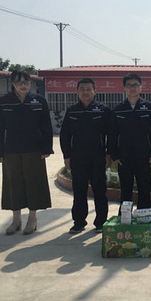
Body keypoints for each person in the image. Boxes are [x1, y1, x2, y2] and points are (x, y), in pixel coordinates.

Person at [0, 70, 53, 235]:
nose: (23, 85)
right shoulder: (4, 102)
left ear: (30, 84)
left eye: (26, 82)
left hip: (34, 149)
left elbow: (46, 126)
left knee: (33, 183)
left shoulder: (39, 101)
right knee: (14, 184)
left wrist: (47, 147)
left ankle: (32, 219)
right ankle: (16, 220)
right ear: (13, 84)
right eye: (19, 82)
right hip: (11, 149)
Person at [60, 78, 112, 234]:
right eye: (82, 89)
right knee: (79, 191)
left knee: (99, 191)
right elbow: (65, 135)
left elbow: (111, 134)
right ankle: (79, 222)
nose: (85, 92)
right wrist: (67, 156)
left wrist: (109, 154)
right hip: (78, 157)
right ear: (77, 91)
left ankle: (101, 222)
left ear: (95, 91)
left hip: (98, 157)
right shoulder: (72, 111)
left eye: (89, 89)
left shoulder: (103, 110)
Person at [108, 73, 151, 211]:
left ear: (141, 87)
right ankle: (125, 218)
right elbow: (112, 134)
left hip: (144, 156)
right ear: (124, 88)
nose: (132, 88)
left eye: (135, 85)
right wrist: (115, 156)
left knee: (144, 188)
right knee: (126, 189)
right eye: (129, 85)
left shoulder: (149, 107)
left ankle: (144, 216)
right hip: (124, 157)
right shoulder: (118, 109)